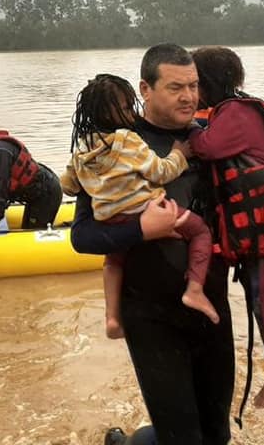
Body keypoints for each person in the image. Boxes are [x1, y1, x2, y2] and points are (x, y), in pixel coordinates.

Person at [71, 44, 235, 445]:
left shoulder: (211, 142)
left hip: (212, 308)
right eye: (176, 87)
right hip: (151, 317)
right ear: (145, 88)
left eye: (194, 86)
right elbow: (82, 236)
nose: (189, 97)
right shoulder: (115, 145)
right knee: (183, 440)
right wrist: (141, 230)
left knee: (217, 436)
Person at [189, 46, 264, 409]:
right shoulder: (234, 108)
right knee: (261, 288)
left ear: (207, 82)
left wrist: (187, 129)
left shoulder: (236, 113)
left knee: (263, 289)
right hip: (254, 222)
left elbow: (208, 148)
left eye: (195, 83)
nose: (193, 91)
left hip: (258, 225)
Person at [60, 73, 218, 340]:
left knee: (112, 263)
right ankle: (194, 289)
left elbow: (68, 185)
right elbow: (160, 171)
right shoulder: (127, 140)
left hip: (110, 218)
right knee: (200, 231)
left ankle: (111, 317)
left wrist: (92, 183)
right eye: (124, 107)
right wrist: (180, 153)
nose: (130, 113)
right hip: (146, 210)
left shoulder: (82, 149)